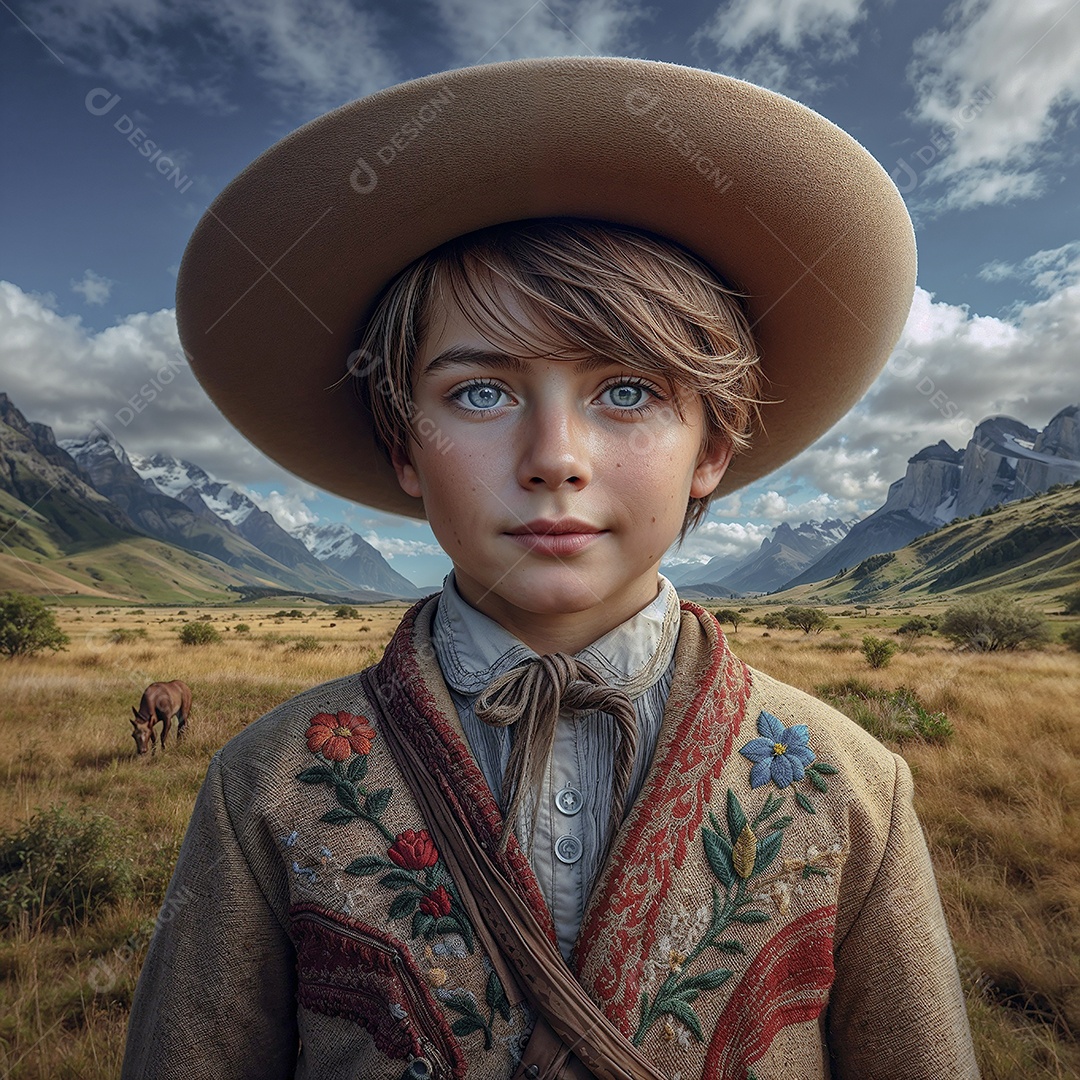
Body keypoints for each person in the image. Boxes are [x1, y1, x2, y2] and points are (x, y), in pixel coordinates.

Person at [121, 56, 980, 1079]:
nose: (554, 457)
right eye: (480, 393)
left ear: (714, 445)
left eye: (626, 391)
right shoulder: (266, 789)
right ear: (404, 444)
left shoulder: (852, 790)